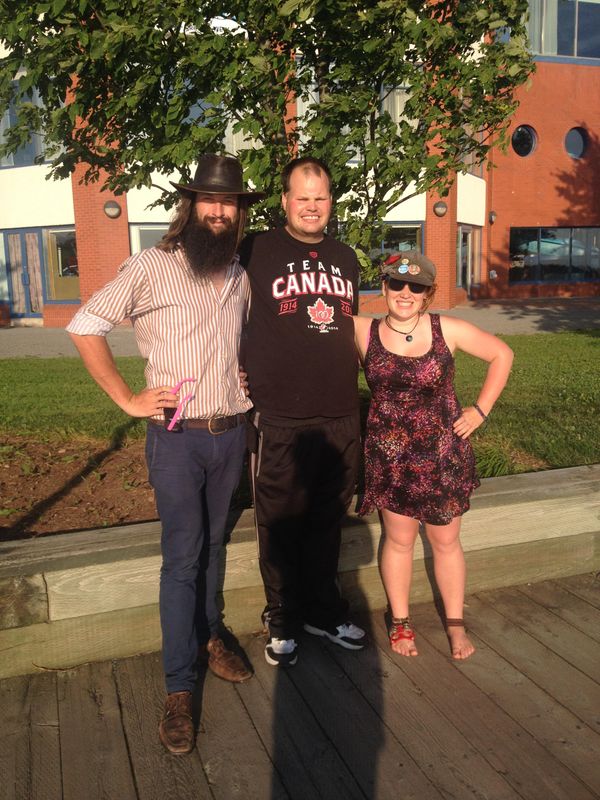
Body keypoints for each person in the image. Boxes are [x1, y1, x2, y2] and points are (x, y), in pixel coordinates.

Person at [67, 154, 264, 755]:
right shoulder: (151, 266)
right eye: (210, 200)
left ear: (238, 212)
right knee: (182, 557)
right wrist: (127, 397)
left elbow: (237, 340)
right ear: (191, 204)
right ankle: (179, 689)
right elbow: (84, 324)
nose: (219, 210)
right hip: (175, 436)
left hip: (230, 432)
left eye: (229, 203)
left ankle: (208, 635)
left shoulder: (238, 275)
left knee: (213, 544)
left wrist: (242, 376)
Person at [354, 251, 513, 660]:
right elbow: (304, 336)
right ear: (384, 287)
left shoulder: (449, 329)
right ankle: (401, 621)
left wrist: (480, 410)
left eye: (417, 287)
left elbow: (502, 355)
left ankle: (455, 623)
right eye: (397, 284)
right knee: (400, 539)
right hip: (391, 459)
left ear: (428, 294)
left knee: (446, 540)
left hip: (442, 455)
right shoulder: (361, 331)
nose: (405, 293)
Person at [239, 156, 366, 668]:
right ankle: (283, 616)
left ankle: (323, 611)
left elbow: (352, 327)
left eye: (320, 197)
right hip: (280, 417)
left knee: (327, 519)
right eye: (302, 196)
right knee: (279, 520)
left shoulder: (347, 258)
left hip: (339, 413)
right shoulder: (254, 250)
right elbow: (216, 304)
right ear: (286, 202)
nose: (311, 206)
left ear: (329, 202)